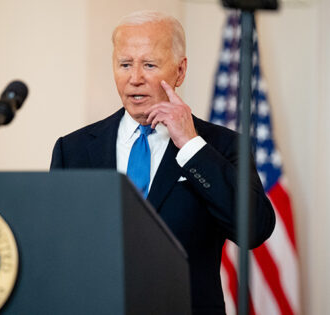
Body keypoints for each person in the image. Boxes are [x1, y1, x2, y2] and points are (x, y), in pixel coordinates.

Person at [50, 10, 275, 315]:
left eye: (149, 65)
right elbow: (57, 249)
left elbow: (254, 230)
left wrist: (191, 146)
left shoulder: (221, 146)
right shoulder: (73, 149)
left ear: (180, 71)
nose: (135, 78)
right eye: (125, 64)